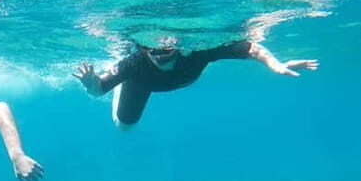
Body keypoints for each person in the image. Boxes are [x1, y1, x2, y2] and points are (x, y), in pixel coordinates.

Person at [73, 40, 319, 128]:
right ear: (142, 48)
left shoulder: (197, 52)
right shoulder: (134, 64)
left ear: (179, 47)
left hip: (172, 79)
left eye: (167, 49)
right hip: (140, 84)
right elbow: (97, 91)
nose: (159, 53)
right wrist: (91, 84)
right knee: (125, 127)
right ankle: (121, 84)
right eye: (150, 48)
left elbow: (249, 48)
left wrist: (275, 64)